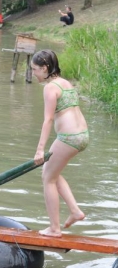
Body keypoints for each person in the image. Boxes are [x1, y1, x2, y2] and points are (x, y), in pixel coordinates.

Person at [31, 49, 89, 237]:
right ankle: (75, 211)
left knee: (47, 178)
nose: (33, 73)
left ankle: (54, 229)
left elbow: (48, 120)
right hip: (82, 135)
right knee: (52, 173)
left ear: (45, 68)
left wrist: (40, 150)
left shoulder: (50, 87)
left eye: (35, 69)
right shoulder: (65, 83)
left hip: (69, 137)